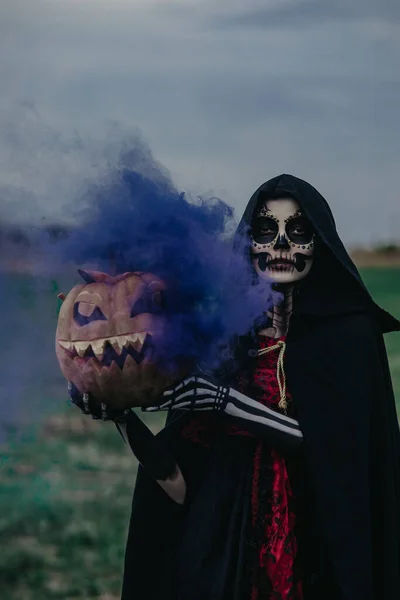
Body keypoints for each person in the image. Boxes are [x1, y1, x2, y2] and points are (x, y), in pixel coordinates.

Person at [71, 174, 400, 599]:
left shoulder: (347, 337)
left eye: (298, 231)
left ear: (319, 244)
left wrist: (226, 402)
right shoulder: (226, 339)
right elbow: (177, 487)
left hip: (315, 554)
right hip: (221, 561)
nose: (281, 243)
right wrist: (121, 414)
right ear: (249, 243)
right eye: (266, 230)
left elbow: (341, 463)